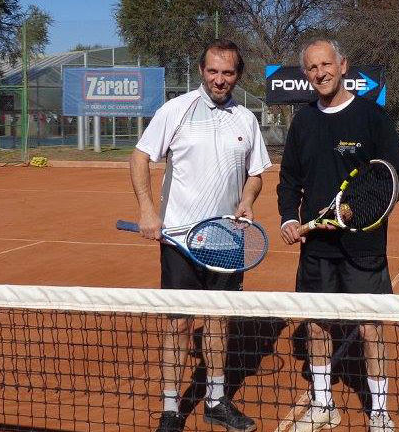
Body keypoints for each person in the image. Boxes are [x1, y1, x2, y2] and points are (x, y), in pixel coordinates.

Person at [130, 39, 271, 432]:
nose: (219, 79)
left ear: (238, 75)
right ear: (201, 71)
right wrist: (146, 209)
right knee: (177, 324)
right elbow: (140, 157)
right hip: (180, 241)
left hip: (228, 238)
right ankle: (172, 409)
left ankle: (215, 400)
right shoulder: (176, 110)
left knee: (218, 321)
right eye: (212, 71)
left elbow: (256, 173)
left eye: (227, 73)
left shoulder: (246, 118)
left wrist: (247, 199)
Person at [275, 37, 399, 432]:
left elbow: (397, 175)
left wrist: (355, 209)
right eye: (312, 68)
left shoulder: (372, 117)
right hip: (317, 246)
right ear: (306, 74)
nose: (321, 73)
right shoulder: (303, 121)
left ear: (343, 65)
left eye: (326, 64)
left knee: (370, 327)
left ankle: (380, 411)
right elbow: (289, 181)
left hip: (363, 244)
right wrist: (287, 218)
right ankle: (323, 404)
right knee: (316, 323)